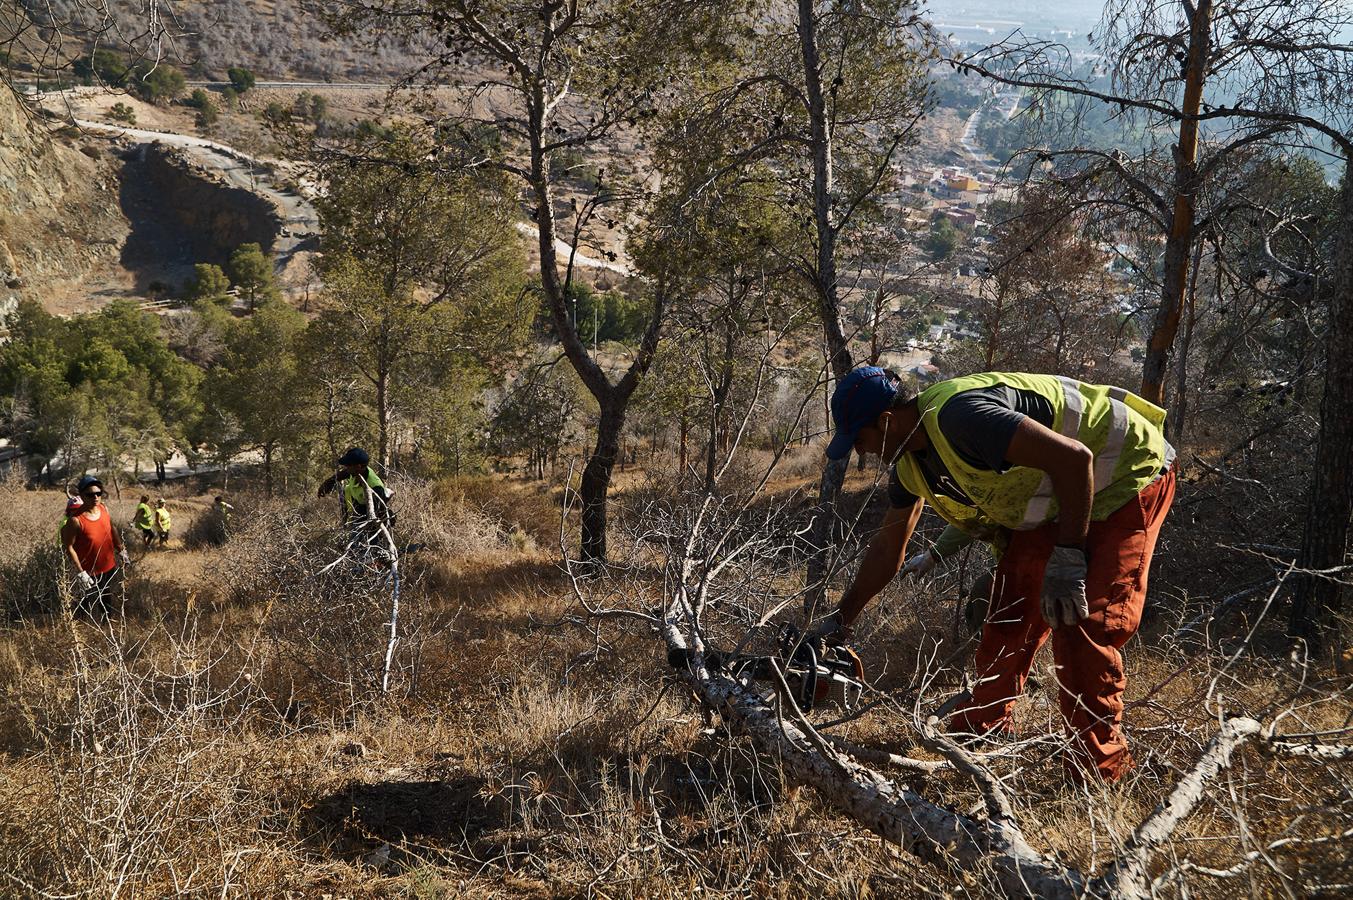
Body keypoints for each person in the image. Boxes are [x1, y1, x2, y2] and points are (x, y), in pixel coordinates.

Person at [815, 367, 1176, 784]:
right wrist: (840, 620)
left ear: (887, 420)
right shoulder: (911, 465)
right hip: (1062, 496)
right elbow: (887, 549)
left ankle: (1099, 773)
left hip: (1127, 474)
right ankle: (981, 728)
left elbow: (1075, 459)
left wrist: (1069, 556)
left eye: (860, 440)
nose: (863, 453)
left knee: (1084, 624)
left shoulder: (960, 417)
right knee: (1008, 615)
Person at [60, 475, 129, 618]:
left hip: (107, 566)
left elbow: (112, 528)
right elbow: (69, 547)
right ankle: (78, 629)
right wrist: (80, 572)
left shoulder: (103, 509)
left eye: (98, 493)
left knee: (105, 596)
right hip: (87, 571)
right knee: (83, 602)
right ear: (82, 496)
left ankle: (106, 624)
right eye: (90, 494)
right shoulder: (76, 520)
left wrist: (121, 550)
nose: (95, 497)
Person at [317, 447, 395, 559]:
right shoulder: (355, 472)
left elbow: (377, 513)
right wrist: (327, 484)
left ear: (358, 466)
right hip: (359, 512)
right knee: (353, 548)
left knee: (370, 551)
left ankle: (380, 557)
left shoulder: (375, 486)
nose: (346, 468)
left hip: (373, 518)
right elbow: (343, 474)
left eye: (348, 465)